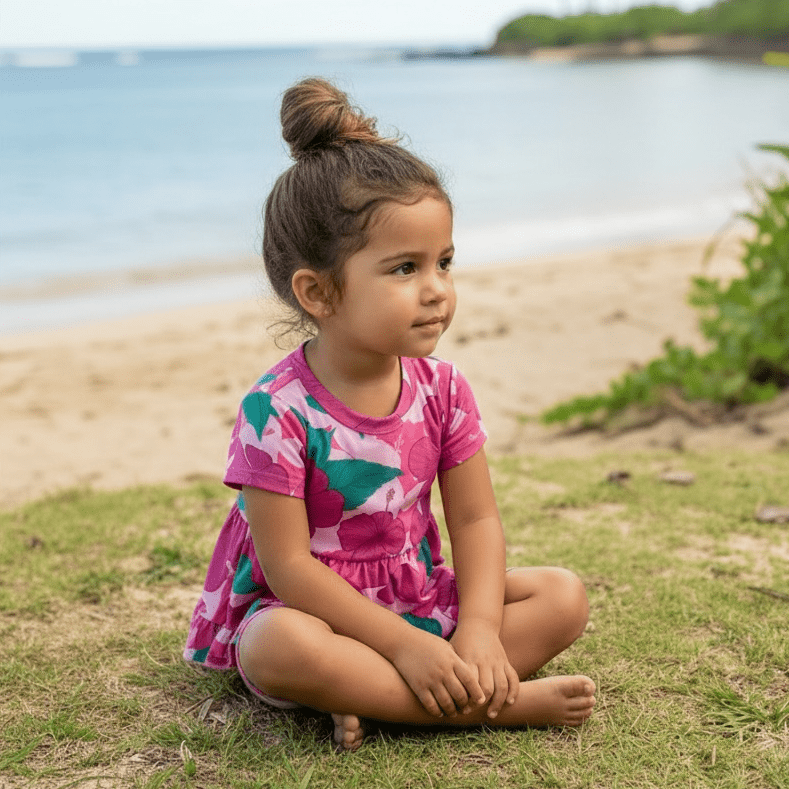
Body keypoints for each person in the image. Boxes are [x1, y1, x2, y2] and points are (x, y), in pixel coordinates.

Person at [184, 77, 595, 751]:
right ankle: (494, 702)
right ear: (318, 291)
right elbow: (287, 566)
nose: (437, 289)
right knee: (271, 646)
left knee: (563, 595)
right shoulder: (276, 409)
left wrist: (480, 629)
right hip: (314, 610)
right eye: (404, 268)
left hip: (415, 592)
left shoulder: (443, 389)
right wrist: (403, 644)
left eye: (444, 261)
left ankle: (374, 701)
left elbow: (475, 517)